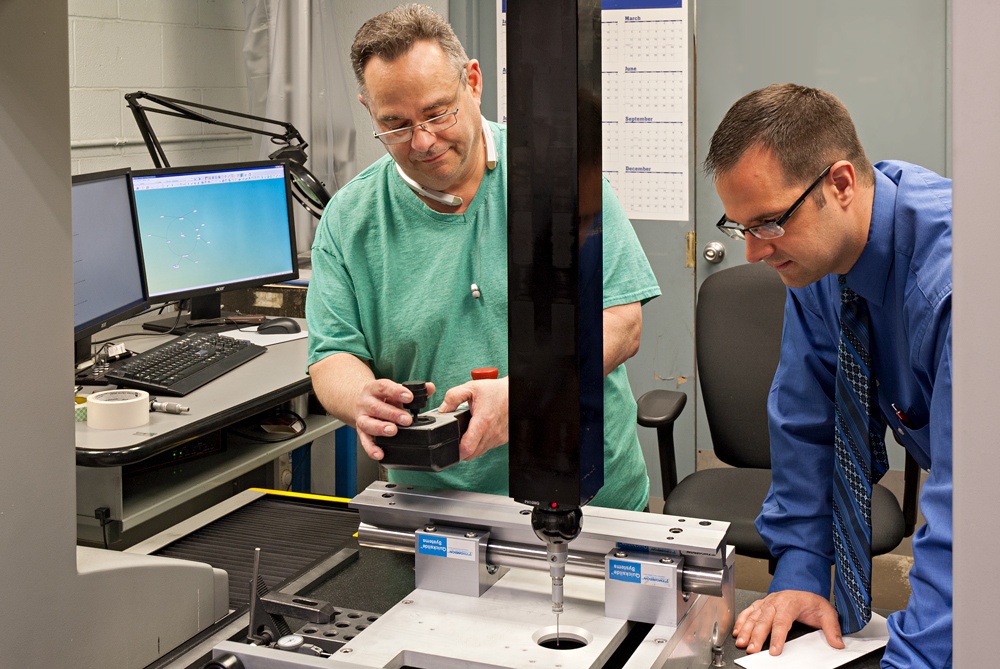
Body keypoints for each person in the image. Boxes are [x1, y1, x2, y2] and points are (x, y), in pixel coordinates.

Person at [305, 4, 660, 511]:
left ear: (473, 82)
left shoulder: (559, 174)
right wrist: (361, 399)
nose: (423, 141)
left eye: (437, 112)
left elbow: (622, 323)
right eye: (396, 125)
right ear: (369, 110)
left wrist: (528, 393)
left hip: (591, 496)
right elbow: (331, 356)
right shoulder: (349, 219)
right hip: (434, 509)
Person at [704, 83, 952, 668]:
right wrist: (802, 576)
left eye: (767, 223)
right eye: (740, 228)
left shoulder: (954, 284)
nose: (753, 254)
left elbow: (973, 509)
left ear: (840, 184)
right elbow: (809, 428)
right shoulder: (821, 262)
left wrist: (912, 659)